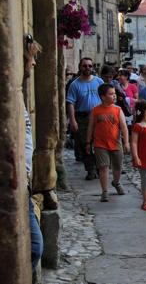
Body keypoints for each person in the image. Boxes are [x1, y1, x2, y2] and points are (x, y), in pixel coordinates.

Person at [86, 83, 130, 202]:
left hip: (116, 142)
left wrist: (126, 142)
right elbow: (90, 127)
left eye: (114, 94)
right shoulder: (95, 111)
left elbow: (124, 127)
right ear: (102, 96)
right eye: (111, 94)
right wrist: (88, 142)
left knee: (117, 166)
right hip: (100, 144)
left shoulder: (118, 110)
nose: (114, 96)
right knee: (103, 167)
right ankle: (104, 191)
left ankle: (116, 182)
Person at [23, 34, 43, 270]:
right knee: (35, 248)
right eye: (32, 57)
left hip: (25, 186)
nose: (34, 63)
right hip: (17, 185)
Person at [67, 57, 104, 179]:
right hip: (82, 117)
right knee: (85, 144)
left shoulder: (99, 82)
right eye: (85, 66)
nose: (87, 68)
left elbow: (107, 97)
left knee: (99, 143)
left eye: (89, 66)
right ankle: (90, 169)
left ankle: (100, 167)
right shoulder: (75, 85)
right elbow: (71, 103)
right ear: (80, 67)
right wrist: (72, 120)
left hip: (99, 116)